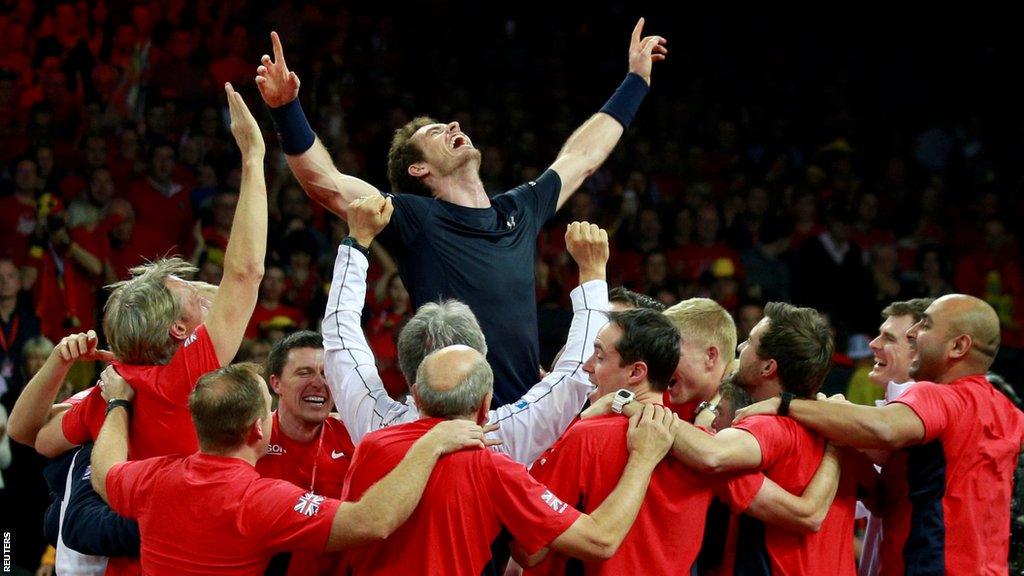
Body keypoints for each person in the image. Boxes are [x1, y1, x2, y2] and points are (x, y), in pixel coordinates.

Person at [256, 21, 667, 405]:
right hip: (452, 411)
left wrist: (636, 81)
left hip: (525, 413)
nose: (452, 125)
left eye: (448, 124)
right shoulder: (413, 217)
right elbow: (325, 182)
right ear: (419, 169)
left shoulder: (519, 208)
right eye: (436, 132)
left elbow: (582, 156)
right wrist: (286, 109)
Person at [13, 83, 267, 462]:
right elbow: (244, 273)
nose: (201, 290)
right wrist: (252, 156)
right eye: (190, 292)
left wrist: (58, 361)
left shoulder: (115, 386)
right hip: (170, 517)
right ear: (178, 330)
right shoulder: (183, 374)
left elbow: (28, 434)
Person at [91, 362, 493, 575]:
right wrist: (431, 443)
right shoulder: (257, 501)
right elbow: (374, 521)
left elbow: (104, 469)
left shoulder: (153, 479)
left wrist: (117, 403)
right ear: (258, 428)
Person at [530, 309, 841, 575]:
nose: (587, 366)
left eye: (599, 356)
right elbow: (806, 511)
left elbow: (529, 550)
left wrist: (617, 406)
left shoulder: (587, 436)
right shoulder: (701, 445)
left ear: (638, 371)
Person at [736, 294, 1024, 575]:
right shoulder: (1008, 412)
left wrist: (787, 404)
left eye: (925, 325)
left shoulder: (941, 396)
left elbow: (883, 428)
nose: (913, 333)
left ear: (958, 346)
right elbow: (887, 498)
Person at [340, 344, 676, 575]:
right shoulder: (493, 468)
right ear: (486, 405)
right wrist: (643, 459)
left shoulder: (370, 445)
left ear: (415, 395)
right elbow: (599, 540)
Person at [326, 194, 612, 466]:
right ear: (486, 396)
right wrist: (593, 270)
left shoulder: (378, 425)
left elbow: (341, 334)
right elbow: (578, 370)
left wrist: (357, 241)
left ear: (411, 380)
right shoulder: (506, 434)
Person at [640, 302, 855, 575]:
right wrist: (838, 442)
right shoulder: (835, 428)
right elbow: (880, 498)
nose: (740, 349)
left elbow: (712, 454)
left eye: (750, 342)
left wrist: (631, 406)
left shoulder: (768, 428)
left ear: (768, 368)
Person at [256, 330, 354, 576]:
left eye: (325, 374)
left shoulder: (354, 440)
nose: (318, 383)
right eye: (304, 372)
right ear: (275, 383)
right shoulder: (251, 440)